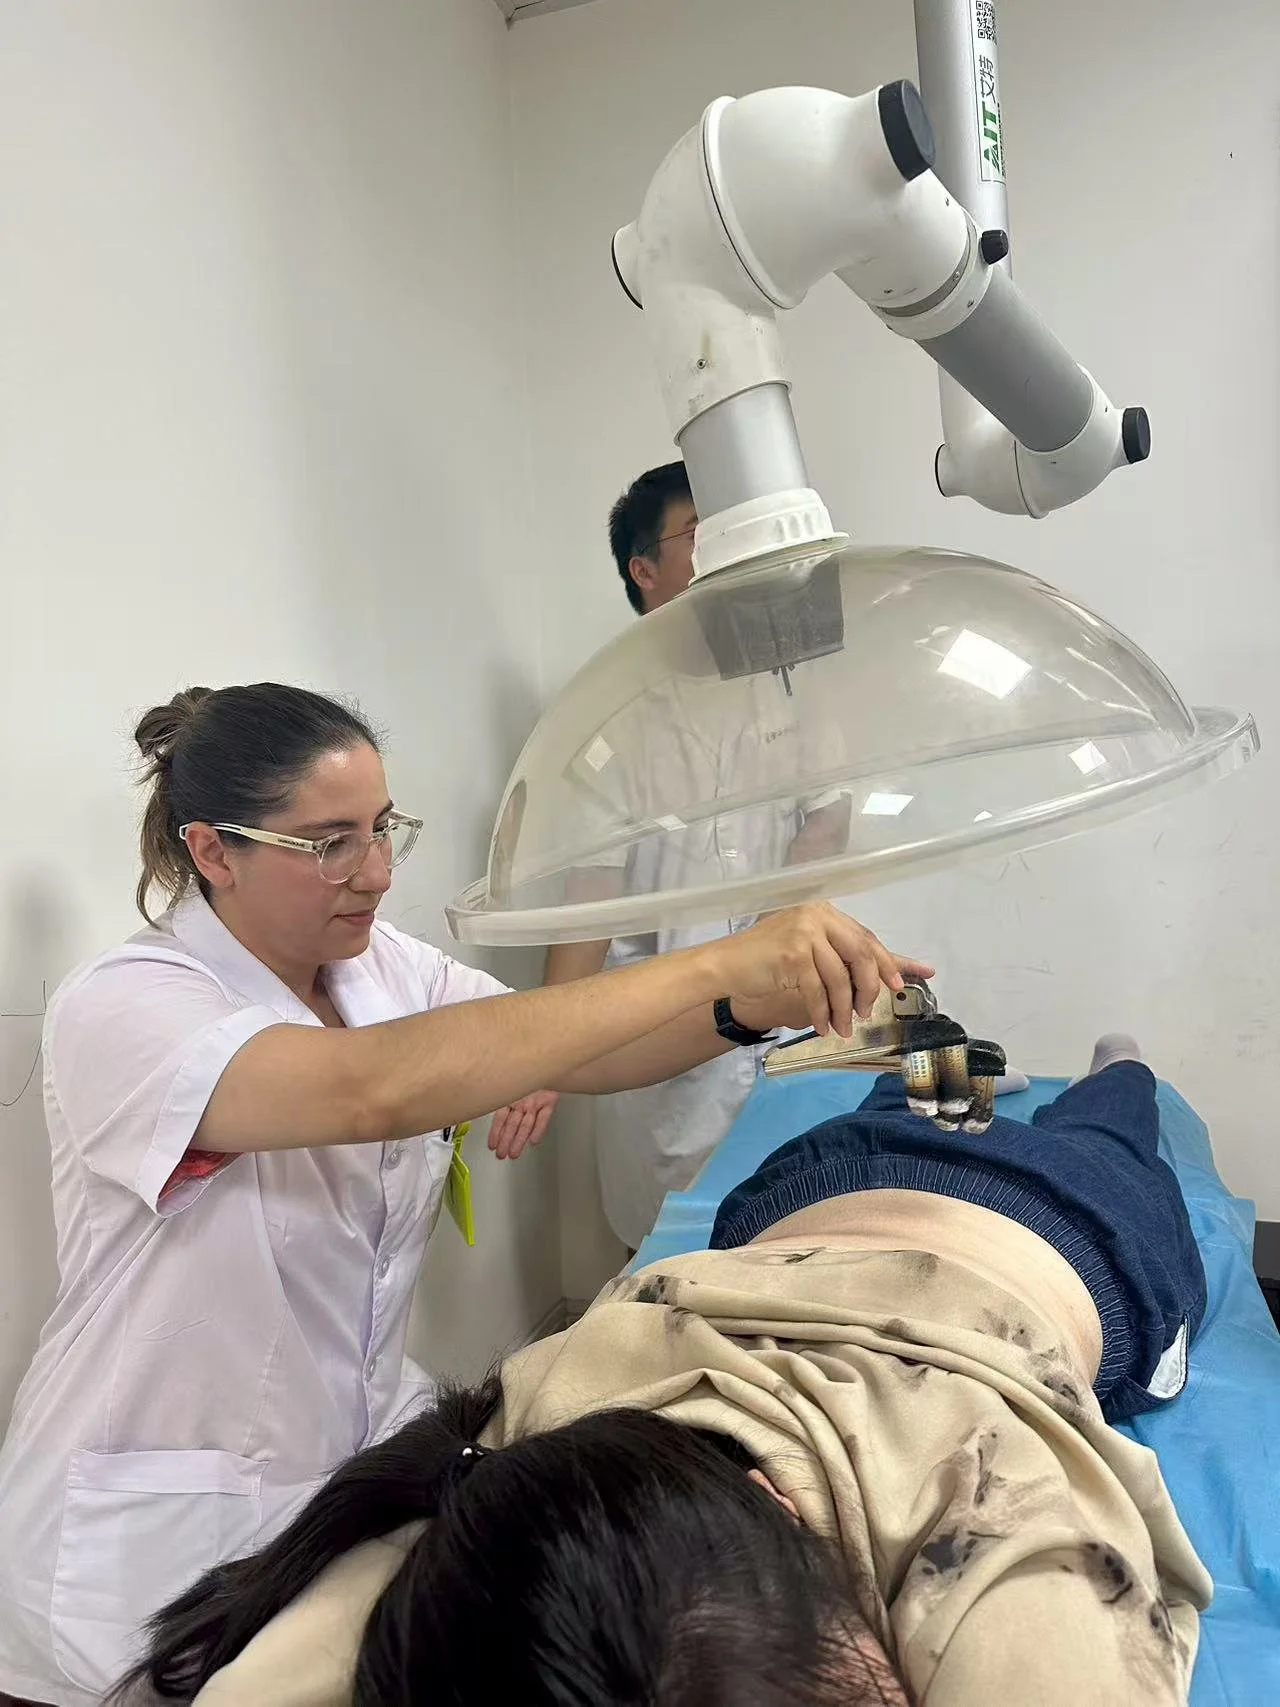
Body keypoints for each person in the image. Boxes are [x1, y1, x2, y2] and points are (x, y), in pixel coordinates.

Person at [0, 682, 927, 1707]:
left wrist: (748, 1004)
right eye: (329, 845)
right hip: (138, 1537)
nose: (377, 873)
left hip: (321, 1492)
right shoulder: (127, 1005)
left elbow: (589, 1046)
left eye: (383, 828)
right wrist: (713, 955)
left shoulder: (382, 969)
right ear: (215, 852)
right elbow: (371, 1089)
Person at [112, 1035, 1211, 1707]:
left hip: (1063, 1230)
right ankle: (947, 1057)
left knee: (1110, 1127)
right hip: (802, 1205)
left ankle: (1110, 1075)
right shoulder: (544, 1456)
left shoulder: (997, 1523)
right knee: (908, 1108)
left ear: (781, 1505)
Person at [542, 462, 856, 1252]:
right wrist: (538, 1052)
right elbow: (589, 902)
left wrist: (775, 943)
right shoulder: (607, 722)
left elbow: (825, 818)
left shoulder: (789, 686)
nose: (726, 552)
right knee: (666, 1253)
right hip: (659, 1046)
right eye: (699, 536)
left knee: (791, 1238)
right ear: (643, 571)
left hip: (784, 1024)